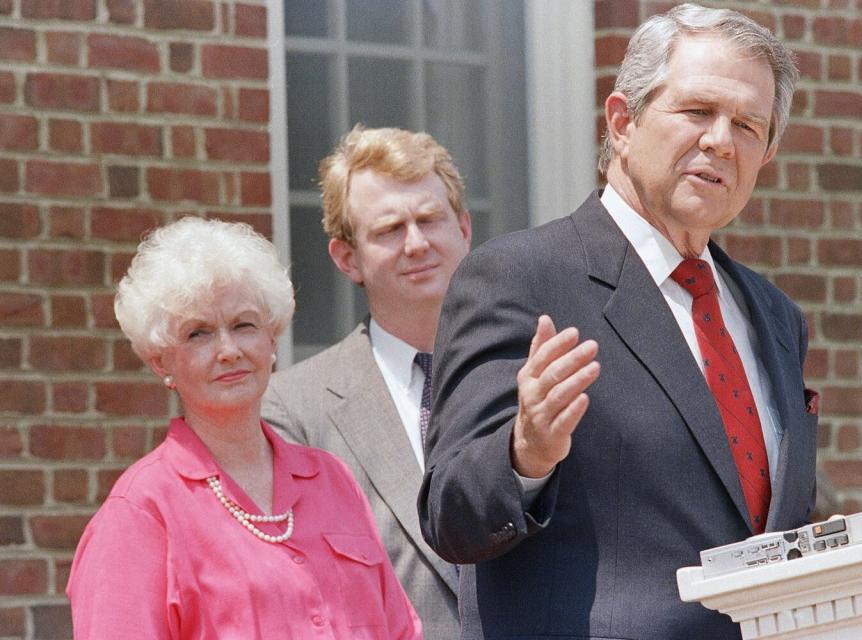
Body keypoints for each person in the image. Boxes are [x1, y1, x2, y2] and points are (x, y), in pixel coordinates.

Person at [418, 4, 819, 639]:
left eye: (748, 125)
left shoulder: (775, 317)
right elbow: (449, 514)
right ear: (623, 122)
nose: (721, 139)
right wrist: (525, 454)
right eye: (696, 112)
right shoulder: (520, 278)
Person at [67, 217, 421, 639]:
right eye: (198, 333)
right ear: (161, 361)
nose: (229, 351)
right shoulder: (141, 514)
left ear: (272, 338)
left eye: (244, 325)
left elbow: (401, 631)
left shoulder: (333, 480)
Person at [262, 125, 469, 638]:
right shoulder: (293, 410)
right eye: (389, 230)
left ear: (464, 229)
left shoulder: (538, 370)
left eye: (429, 219)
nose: (416, 243)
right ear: (346, 257)